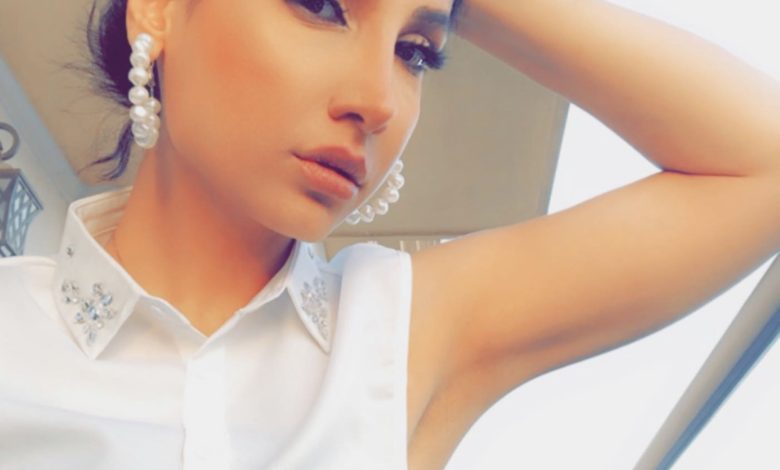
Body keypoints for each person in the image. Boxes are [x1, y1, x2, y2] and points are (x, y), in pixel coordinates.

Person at [1, 0, 778, 469]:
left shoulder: (405, 333)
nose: (378, 100)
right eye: (321, 5)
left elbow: (762, 166)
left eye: (416, 52)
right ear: (160, 8)